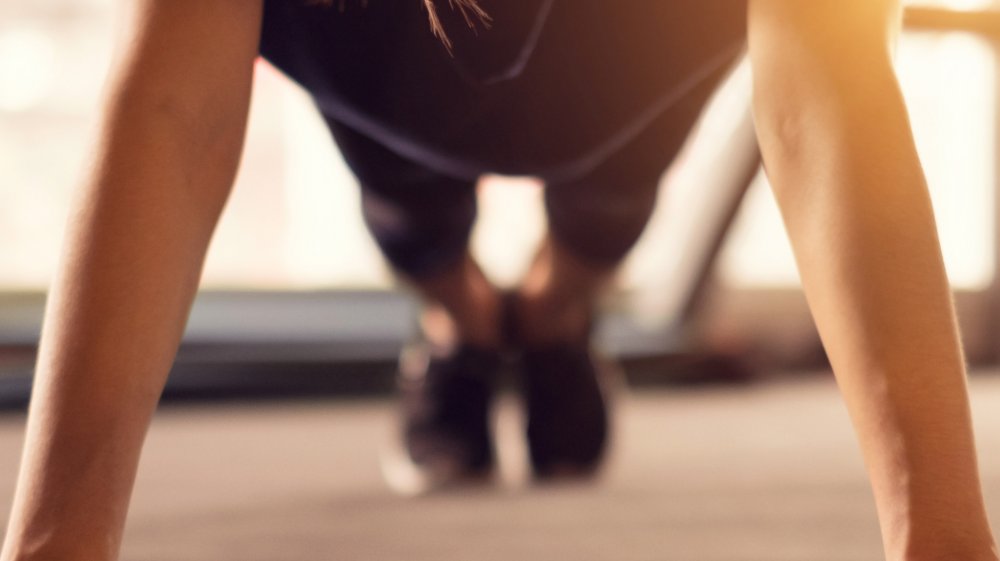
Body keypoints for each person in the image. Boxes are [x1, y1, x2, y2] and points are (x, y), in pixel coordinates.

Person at [1, 1, 998, 560]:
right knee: (414, 211)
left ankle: (554, 315)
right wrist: (55, 544)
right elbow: (176, 116)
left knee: (602, 211)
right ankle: (466, 326)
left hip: (631, 50)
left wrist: (942, 539)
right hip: (376, 46)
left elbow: (825, 106)